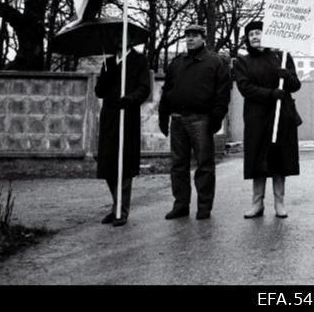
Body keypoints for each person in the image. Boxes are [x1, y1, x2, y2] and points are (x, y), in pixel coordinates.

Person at [158, 23, 231, 220]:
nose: (190, 39)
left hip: (201, 119)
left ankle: (204, 206)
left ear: (203, 38)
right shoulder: (177, 63)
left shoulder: (215, 62)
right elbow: (167, 90)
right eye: (187, 35)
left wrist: (216, 119)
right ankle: (181, 204)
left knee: (204, 164)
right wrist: (163, 116)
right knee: (178, 165)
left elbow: (223, 93)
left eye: (194, 35)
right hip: (178, 119)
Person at [234, 21, 302, 218]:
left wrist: (286, 75)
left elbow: (295, 84)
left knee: (279, 159)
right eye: (251, 34)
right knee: (258, 159)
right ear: (247, 38)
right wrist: (271, 94)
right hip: (257, 117)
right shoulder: (242, 62)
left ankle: (279, 203)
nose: (255, 37)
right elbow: (245, 88)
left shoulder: (282, 57)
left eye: (259, 33)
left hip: (282, 116)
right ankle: (257, 203)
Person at [94, 44, 151, 227]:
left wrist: (130, 99)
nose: (118, 41)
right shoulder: (108, 62)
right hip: (110, 116)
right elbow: (99, 91)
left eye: (122, 36)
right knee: (109, 161)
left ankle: (121, 210)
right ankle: (115, 206)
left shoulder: (139, 61)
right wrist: (107, 75)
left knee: (124, 162)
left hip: (128, 116)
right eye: (115, 38)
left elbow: (144, 88)